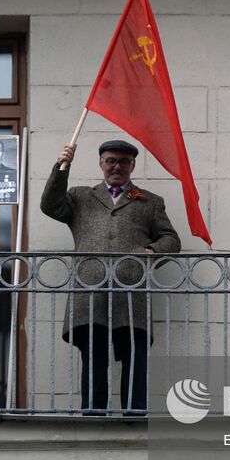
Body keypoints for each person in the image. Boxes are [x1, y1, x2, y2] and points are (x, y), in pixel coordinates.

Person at [40, 139, 180, 414]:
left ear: (132, 166)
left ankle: (134, 414)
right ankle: (93, 415)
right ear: (101, 163)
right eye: (111, 161)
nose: (117, 166)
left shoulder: (150, 201)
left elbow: (171, 239)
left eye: (123, 162)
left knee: (134, 357)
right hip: (89, 291)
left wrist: (153, 251)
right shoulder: (81, 196)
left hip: (132, 291)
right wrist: (62, 166)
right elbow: (50, 205)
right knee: (93, 357)